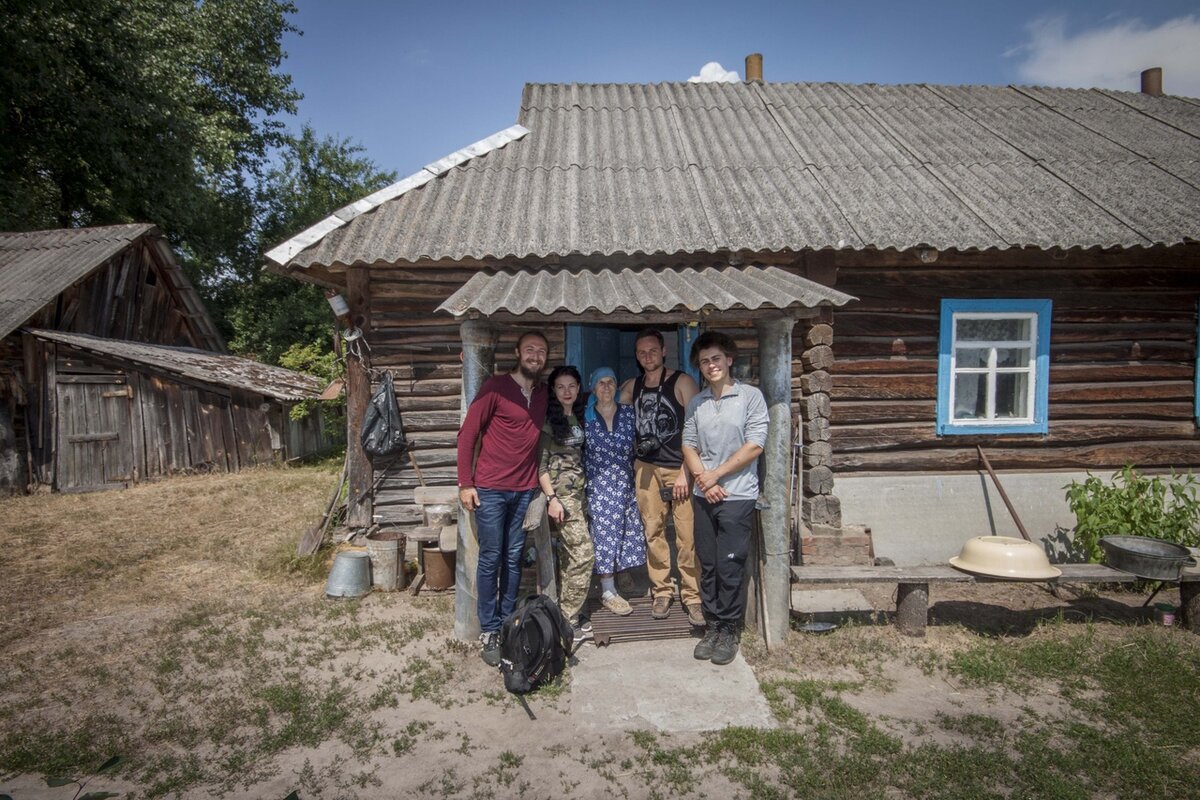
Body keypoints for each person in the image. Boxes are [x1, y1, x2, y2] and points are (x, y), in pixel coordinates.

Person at [457, 331, 549, 666]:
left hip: (524, 489)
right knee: (491, 558)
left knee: (513, 559)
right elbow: (468, 435)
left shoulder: (541, 393)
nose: (535, 356)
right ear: (517, 352)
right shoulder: (496, 387)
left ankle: (510, 620)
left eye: (541, 351)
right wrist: (466, 483)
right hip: (491, 490)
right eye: (529, 350)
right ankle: (490, 629)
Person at [681, 331, 769, 666]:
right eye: (704, 361)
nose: (711, 365)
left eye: (716, 358)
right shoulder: (698, 402)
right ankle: (713, 626)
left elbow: (755, 444)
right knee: (708, 563)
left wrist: (715, 476)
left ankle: (730, 630)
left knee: (730, 565)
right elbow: (688, 443)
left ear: (729, 359)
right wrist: (704, 478)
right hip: (703, 495)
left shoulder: (750, 397)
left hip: (737, 495)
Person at [619, 328, 703, 625]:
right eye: (642, 352)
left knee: (686, 535)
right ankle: (662, 592)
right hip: (645, 468)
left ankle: (692, 596)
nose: (647, 357)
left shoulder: (682, 382)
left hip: (678, 468)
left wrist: (686, 471)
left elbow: (697, 428)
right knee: (652, 531)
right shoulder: (634, 385)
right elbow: (610, 407)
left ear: (664, 351)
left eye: (652, 351)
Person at [537, 366, 595, 644]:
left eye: (572, 385)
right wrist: (552, 499)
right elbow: (541, 467)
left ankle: (567, 611)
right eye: (560, 387)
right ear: (553, 391)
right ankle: (568, 617)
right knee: (584, 555)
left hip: (581, 495)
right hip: (562, 499)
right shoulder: (549, 422)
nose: (567, 391)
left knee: (569, 557)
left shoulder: (579, 416)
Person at [583, 367, 646, 616]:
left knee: (627, 529)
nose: (606, 387)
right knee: (604, 534)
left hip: (626, 482)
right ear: (593, 387)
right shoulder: (585, 416)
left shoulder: (629, 414)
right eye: (601, 382)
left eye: (611, 382)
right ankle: (607, 589)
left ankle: (623, 571)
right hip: (599, 485)